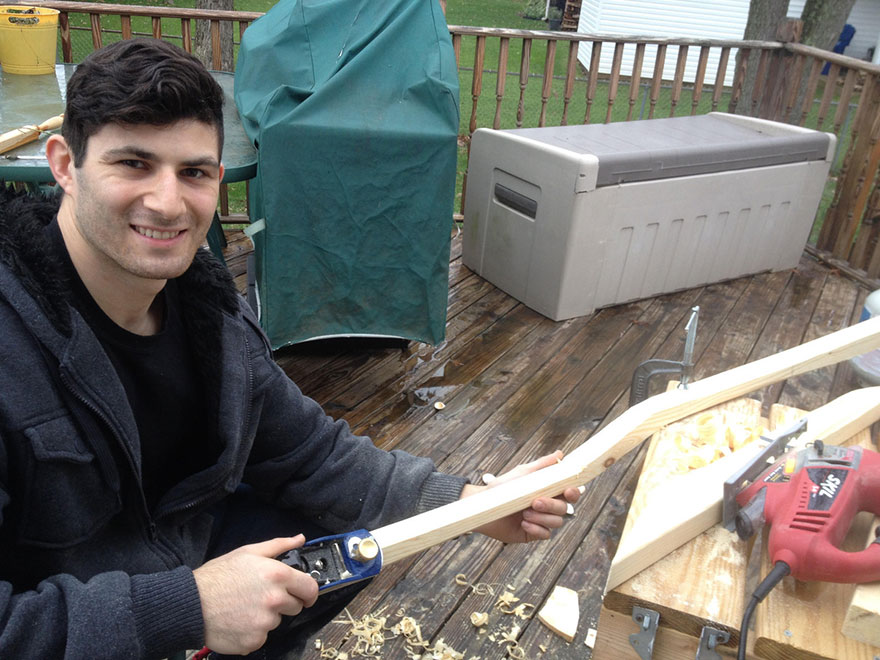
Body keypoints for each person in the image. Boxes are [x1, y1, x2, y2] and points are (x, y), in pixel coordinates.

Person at [0, 38, 580, 659]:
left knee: (344, 540)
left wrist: (470, 504)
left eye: (192, 172)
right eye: (133, 164)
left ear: (218, 181)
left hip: (177, 557)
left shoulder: (210, 316)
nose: (168, 202)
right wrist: (184, 609)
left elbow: (310, 454)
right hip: (71, 616)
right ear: (64, 164)